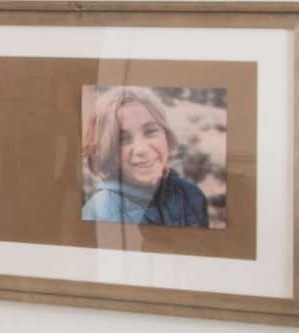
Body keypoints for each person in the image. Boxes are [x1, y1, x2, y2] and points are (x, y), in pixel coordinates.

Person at [81, 86, 211, 227]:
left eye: (150, 132)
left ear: (167, 136)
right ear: (107, 151)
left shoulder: (191, 194)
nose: (141, 149)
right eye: (123, 139)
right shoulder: (103, 211)